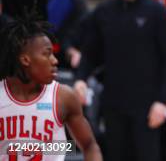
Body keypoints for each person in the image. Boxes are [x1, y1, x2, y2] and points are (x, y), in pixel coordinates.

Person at [74, 0, 166, 161]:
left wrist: (163, 101)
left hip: (148, 107)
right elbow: (90, 53)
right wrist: (80, 79)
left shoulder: (157, 12)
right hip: (113, 104)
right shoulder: (103, 12)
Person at [0, 17, 102, 160]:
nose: (55, 60)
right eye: (47, 54)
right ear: (25, 60)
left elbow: (89, 145)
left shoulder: (63, 97)